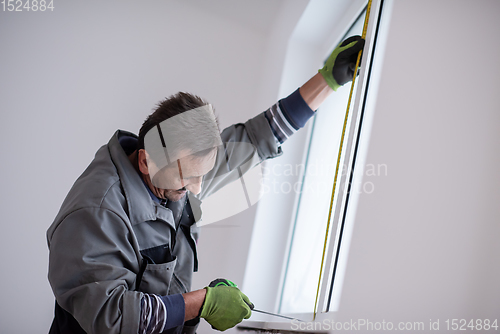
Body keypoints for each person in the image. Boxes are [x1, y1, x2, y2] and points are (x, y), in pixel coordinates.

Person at [46, 36, 365, 334]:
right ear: (145, 161)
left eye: (204, 173)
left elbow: (255, 138)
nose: (197, 189)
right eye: (189, 178)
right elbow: (110, 318)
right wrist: (200, 302)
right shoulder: (95, 212)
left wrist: (328, 80)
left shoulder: (175, 166)